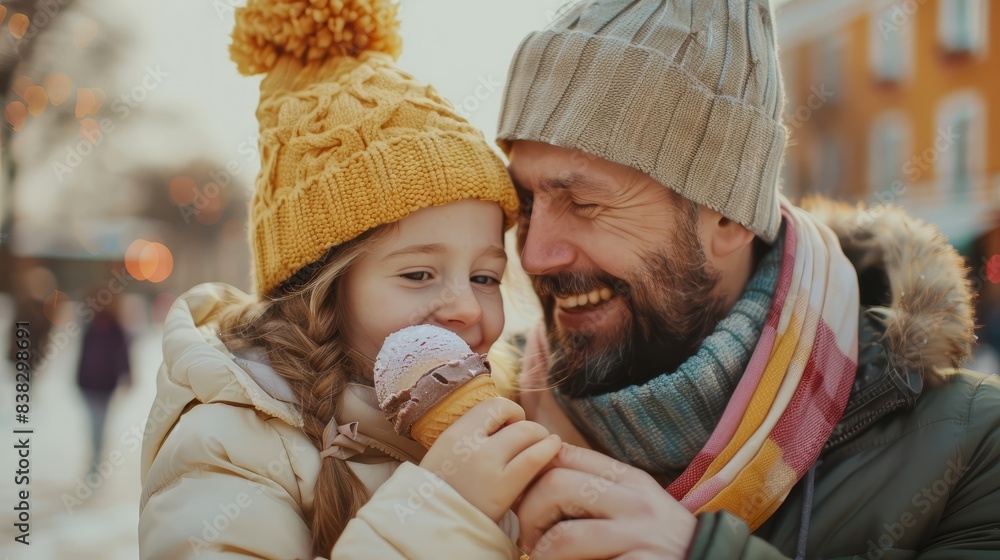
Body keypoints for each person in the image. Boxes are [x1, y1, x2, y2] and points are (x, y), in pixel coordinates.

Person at [495, 1, 1000, 559]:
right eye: (524, 201)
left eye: (585, 203)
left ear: (729, 217)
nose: (534, 255)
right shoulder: (489, 414)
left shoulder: (973, 449)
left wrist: (701, 552)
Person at [138, 1, 559, 558]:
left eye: (485, 276)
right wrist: (444, 512)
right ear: (321, 290)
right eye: (418, 274)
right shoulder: (230, 442)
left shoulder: (513, 404)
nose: (466, 307)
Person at [77, 291, 131, 472]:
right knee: (95, 422)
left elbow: (124, 356)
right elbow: (83, 356)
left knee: (100, 423)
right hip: (88, 385)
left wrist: (128, 376)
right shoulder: (89, 327)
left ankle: (97, 458)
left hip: (105, 386)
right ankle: (95, 456)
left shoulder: (116, 329)